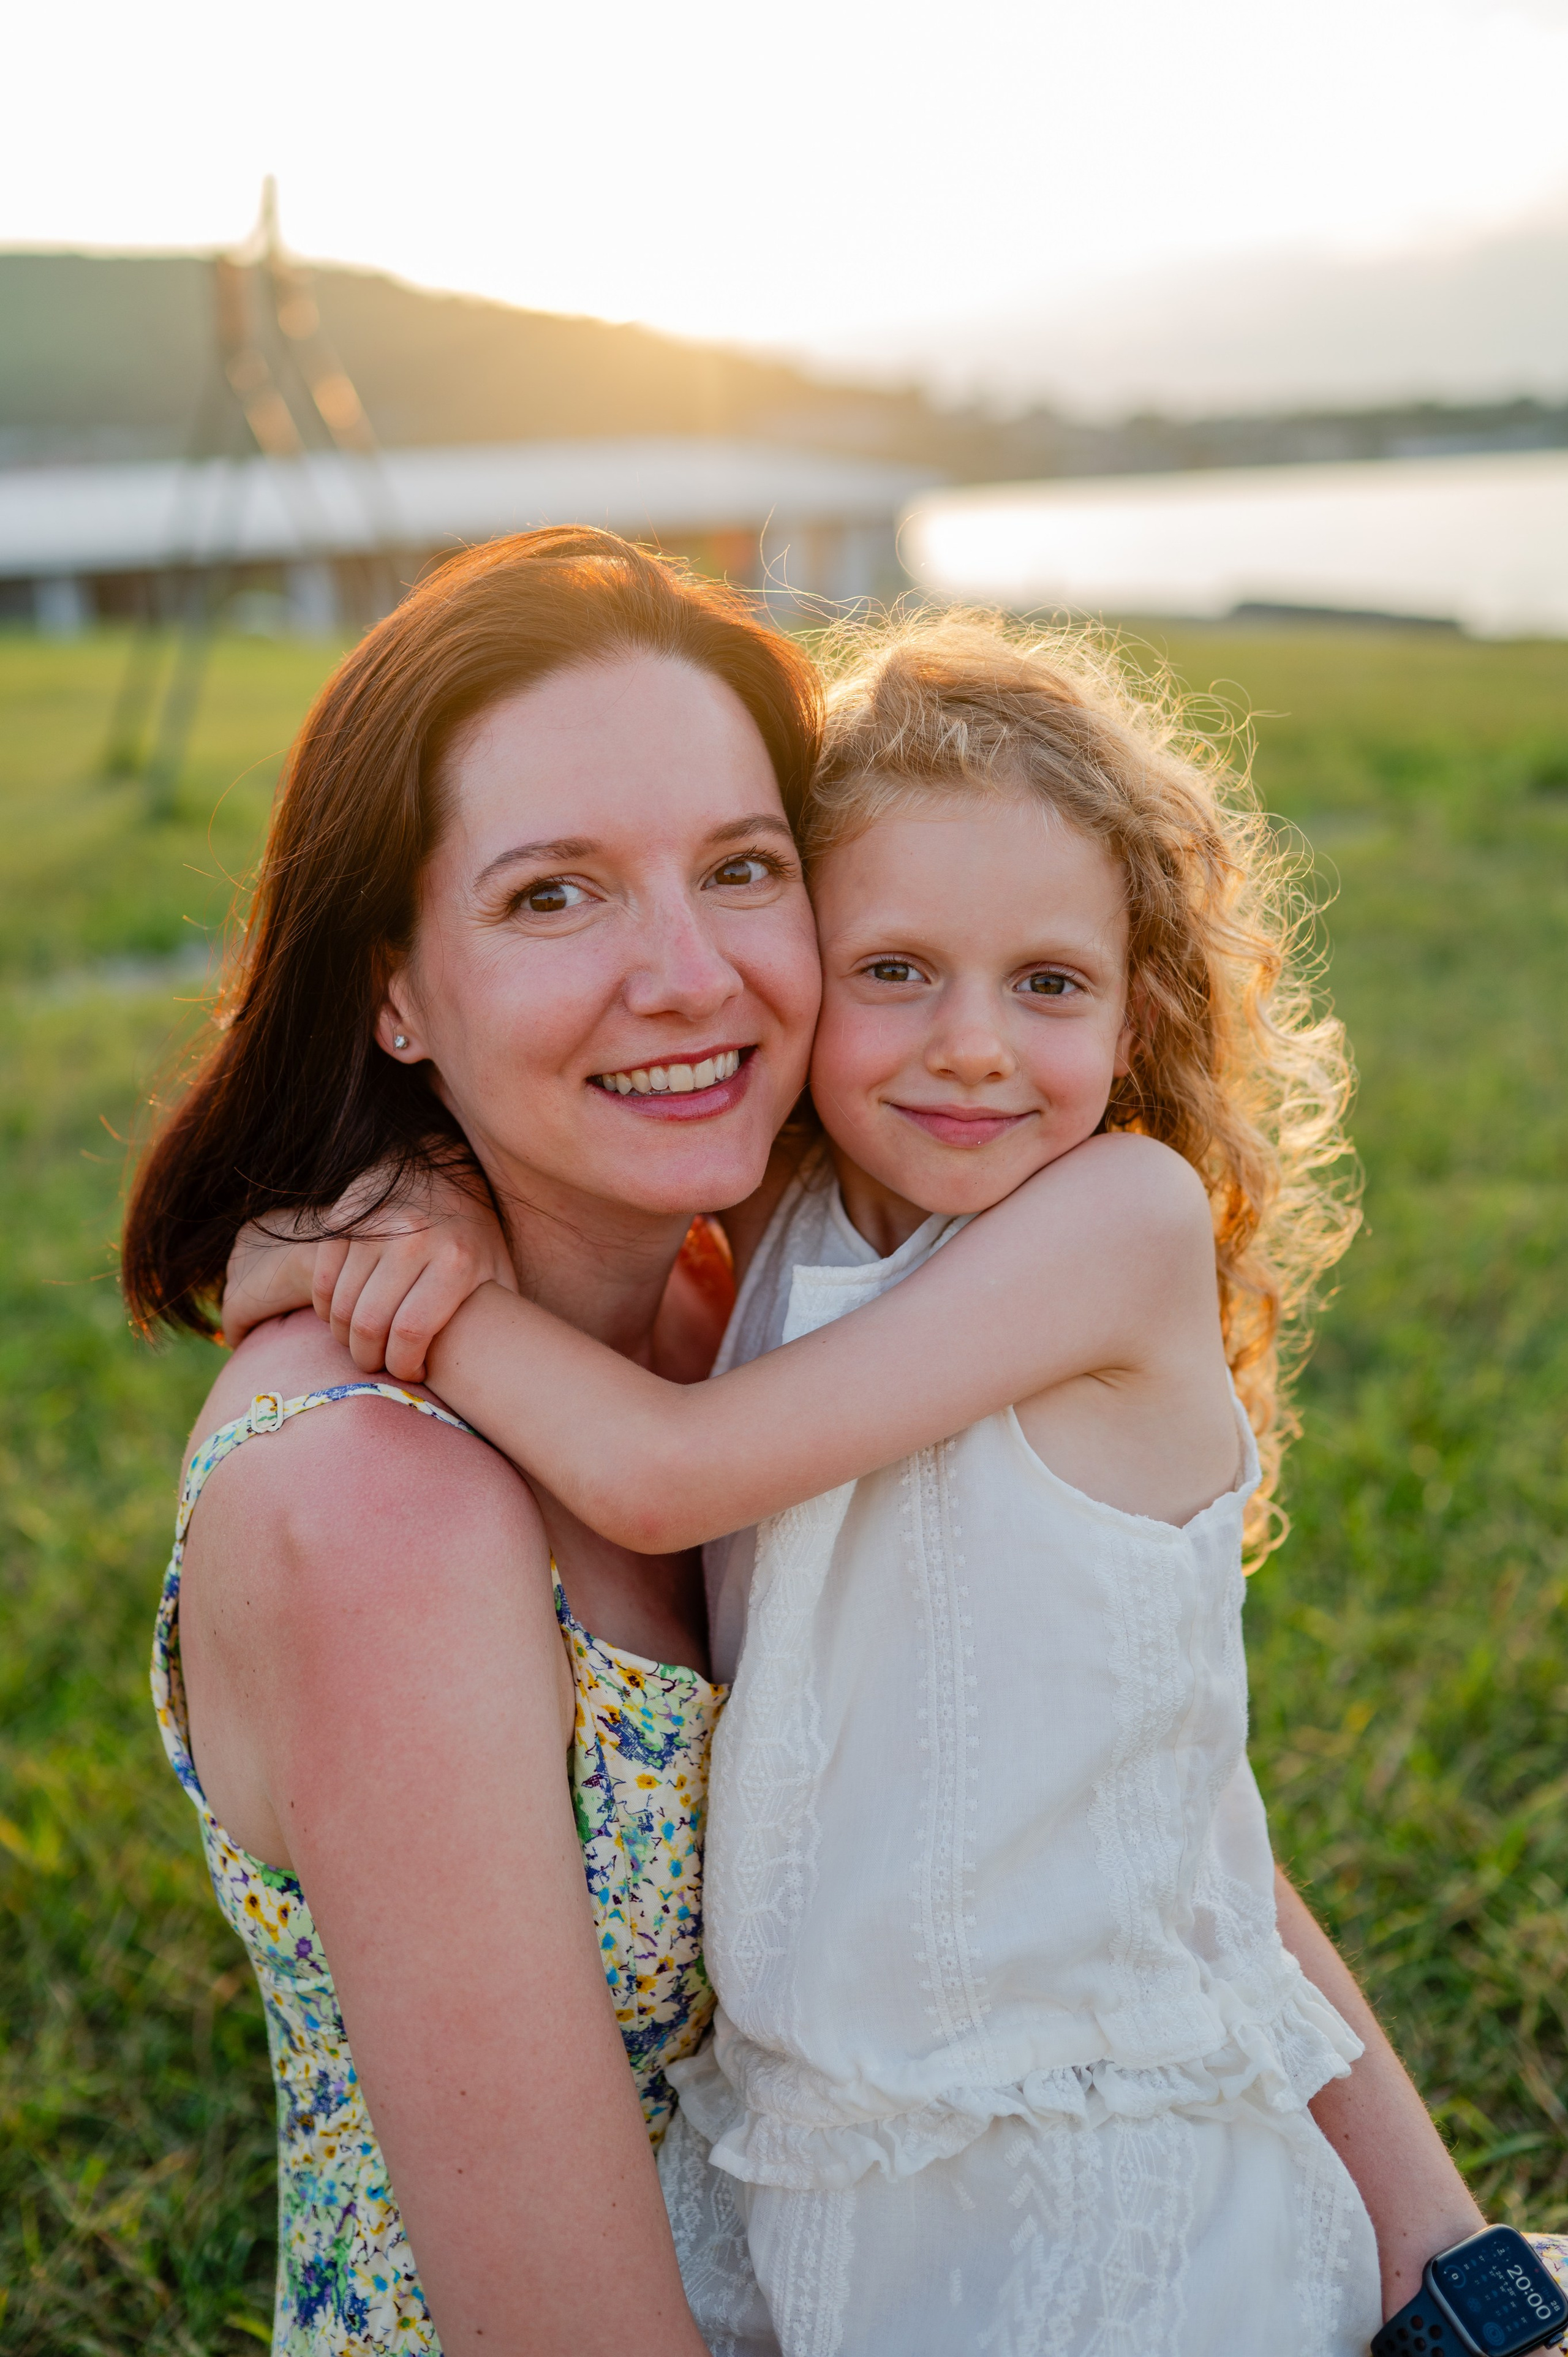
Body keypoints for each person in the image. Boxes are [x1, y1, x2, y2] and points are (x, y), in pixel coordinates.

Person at [233, 615, 1533, 2353]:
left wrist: (407, 1291)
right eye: (896, 969)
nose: (973, 1048)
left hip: (1097, 2186)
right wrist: (378, 1233)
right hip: (828, 2194)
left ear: (1141, 1000)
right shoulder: (758, 1255)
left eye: (1049, 983)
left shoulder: (1069, 1227)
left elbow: (1136, 1790)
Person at [123, 527, 829, 2355]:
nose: (689, 976)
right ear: (394, 990)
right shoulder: (374, 1502)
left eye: (743, 868)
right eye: (553, 898)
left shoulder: (744, 1306)